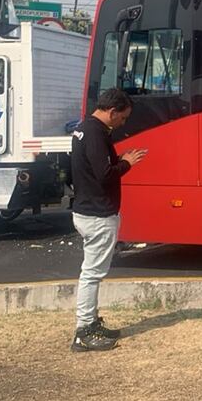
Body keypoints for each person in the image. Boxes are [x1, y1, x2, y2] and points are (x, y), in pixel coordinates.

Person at [69, 88, 147, 352]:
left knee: (91, 273)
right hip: (97, 214)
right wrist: (126, 163)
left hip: (86, 209)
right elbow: (104, 175)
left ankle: (91, 322)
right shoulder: (95, 134)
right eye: (122, 118)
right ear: (112, 112)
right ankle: (84, 331)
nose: (123, 123)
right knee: (92, 274)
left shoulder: (84, 129)